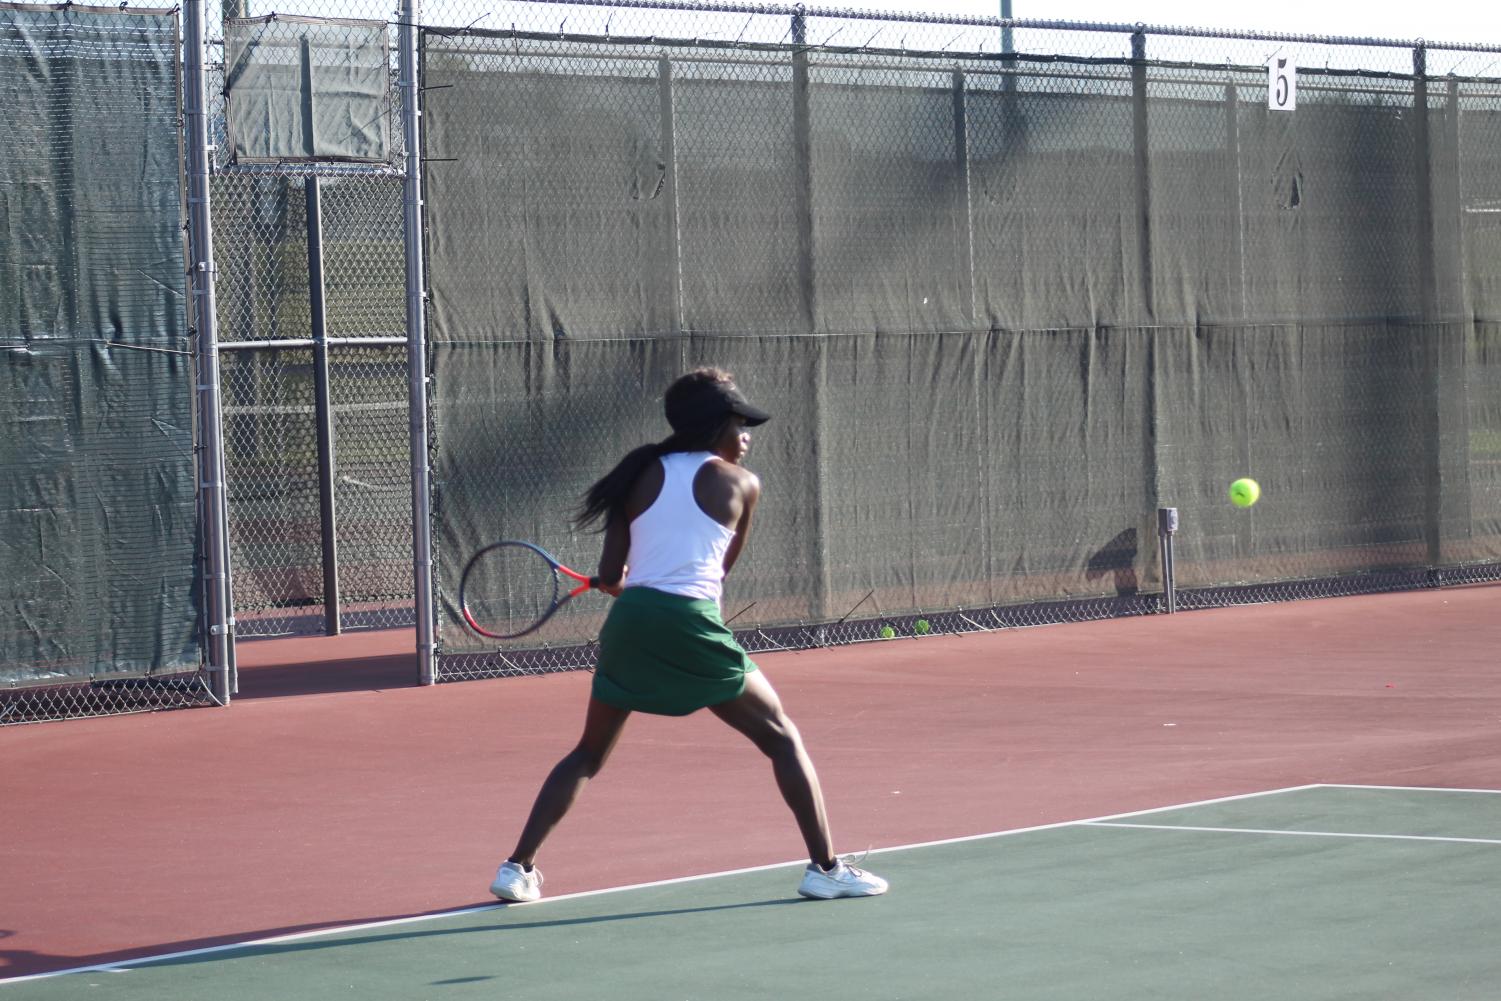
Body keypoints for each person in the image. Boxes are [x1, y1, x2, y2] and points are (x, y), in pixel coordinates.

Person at [489, 367, 887, 903]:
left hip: (630, 624)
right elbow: (715, 578)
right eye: (741, 423)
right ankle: (826, 869)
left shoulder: (637, 473)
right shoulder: (742, 484)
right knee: (782, 737)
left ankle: (516, 869)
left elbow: (611, 576)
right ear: (714, 425)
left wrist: (630, 588)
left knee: (587, 753)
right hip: (690, 622)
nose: (747, 435)